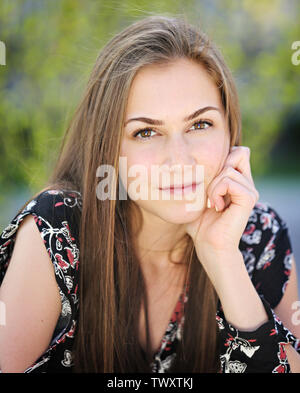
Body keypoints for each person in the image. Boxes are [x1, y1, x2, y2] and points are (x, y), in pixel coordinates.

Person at [0, 15, 299, 374]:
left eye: (200, 124)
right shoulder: (57, 229)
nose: (179, 159)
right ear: (108, 149)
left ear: (230, 133)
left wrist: (222, 257)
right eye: (146, 132)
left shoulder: (258, 235)